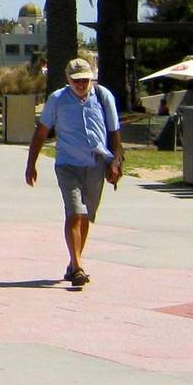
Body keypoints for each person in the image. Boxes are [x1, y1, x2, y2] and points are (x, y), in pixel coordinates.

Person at [24, 58, 123, 288]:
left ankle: (73, 261)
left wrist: (115, 162)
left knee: (86, 215)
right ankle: (78, 268)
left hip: (96, 163)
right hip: (67, 164)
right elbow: (41, 132)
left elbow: (114, 131)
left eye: (85, 79)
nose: (81, 84)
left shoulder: (102, 96)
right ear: (68, 79)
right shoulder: (57, 100)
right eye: (76, 80)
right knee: (74, 212)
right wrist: (31, 164)